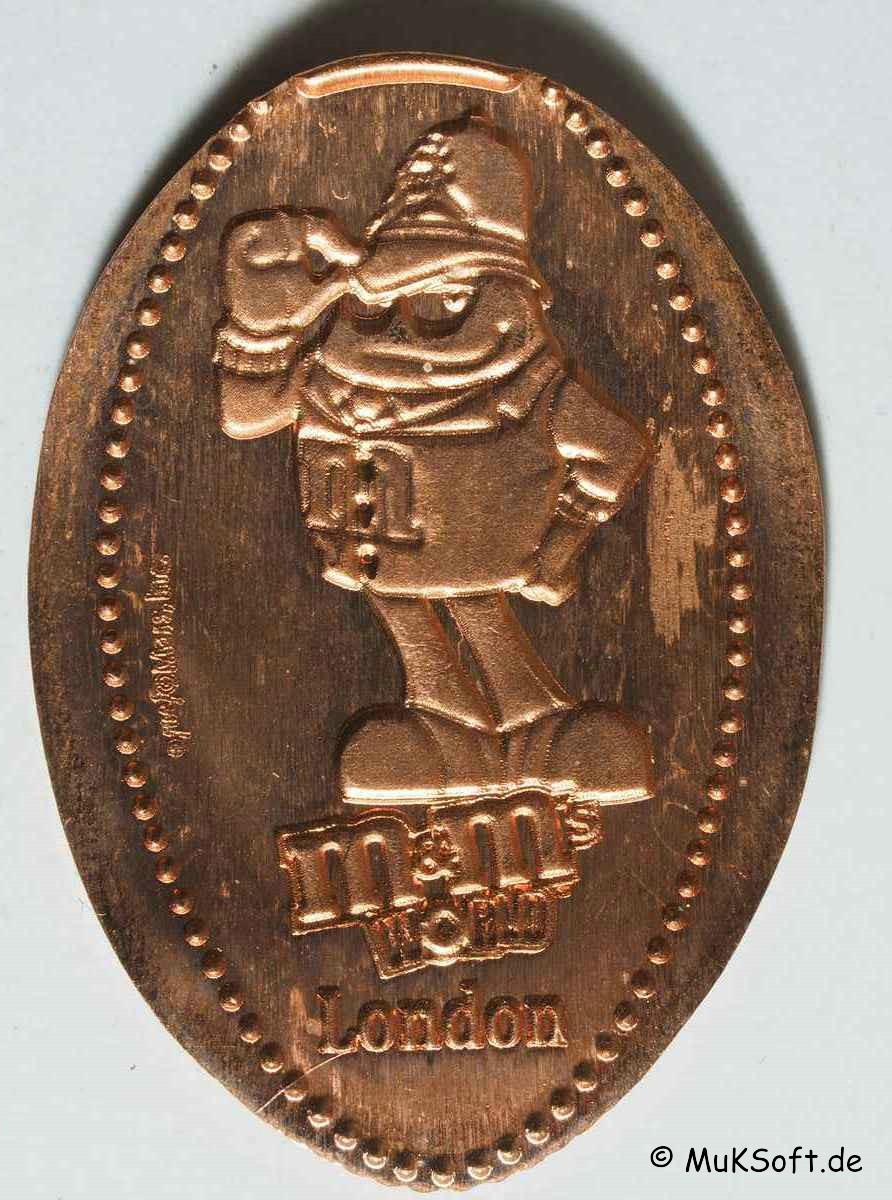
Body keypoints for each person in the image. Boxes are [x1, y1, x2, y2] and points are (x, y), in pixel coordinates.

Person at [214, 116, 654, 806]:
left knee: (476, 605)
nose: (402, 320)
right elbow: (245, 417)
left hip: (472, 546)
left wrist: (561, 543)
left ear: (508, 301)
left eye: (446, 299)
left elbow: (619, 449)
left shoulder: (528, 384)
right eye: (380, 300)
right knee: (419, 614)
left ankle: (534, 725)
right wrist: (258, 329)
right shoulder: (336, 374)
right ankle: (448, 725)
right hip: (374, 550)